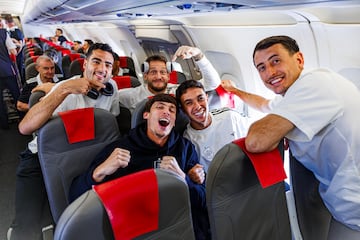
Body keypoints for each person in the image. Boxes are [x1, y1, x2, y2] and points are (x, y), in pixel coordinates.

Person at [229, 35, 360, 239]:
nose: (270, 72)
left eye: (276, 61)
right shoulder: (293, 96)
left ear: (299, 60)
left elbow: (256, 141)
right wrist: (234, 91)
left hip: (354, 206)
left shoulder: (316, 85)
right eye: (261, 67)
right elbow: (264, 105)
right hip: (344, 203)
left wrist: (280, 131)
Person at [8, 43, 119, 240]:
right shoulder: (65, 88)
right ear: (84, 64)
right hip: (42, 157)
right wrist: (64, 89)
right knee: (27, 223)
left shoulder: (112, 89)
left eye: (108, 65)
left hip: (86, 155)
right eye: (96, 61)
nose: (102, 69)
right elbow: (24, 128)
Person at [69, 93, 211, 240]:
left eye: (172, 110)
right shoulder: (120, 148)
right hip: (137, 227)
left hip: (177, 223)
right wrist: (99, 172)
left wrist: (184, 179)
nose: (166, 112)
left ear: (174, 121)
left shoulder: (185, 148)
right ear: (146, 115)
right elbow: (76, 198)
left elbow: (203, 201)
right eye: (160, 107)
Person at [118, 46, 220, 113]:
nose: (158, 77)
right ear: (145, 76)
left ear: (168, 76)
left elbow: (212, 83)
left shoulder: (177, 91)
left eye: (163, 72)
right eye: (153, 72)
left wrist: (198, 55)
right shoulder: (130, 96)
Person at [175, 79, 249, 172]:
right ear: (183, 110)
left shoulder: (230, 116)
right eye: (189, 103)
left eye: (200, 98)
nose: (197, 106)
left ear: (207, 98)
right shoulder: (188, 141)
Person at [0, 24, 19, 129]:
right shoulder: (3, 33)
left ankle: (4, 124)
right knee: (16, 94)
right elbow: (13, 51)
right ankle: (22, 118)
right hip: (7, 70)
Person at [5, 16, 24, 83]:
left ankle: (22, 87)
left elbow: (20, 45)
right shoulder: (10, 31)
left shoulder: (16, 31)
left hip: (17, 57)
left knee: (19, 71)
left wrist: (15, 54)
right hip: (14, 56)